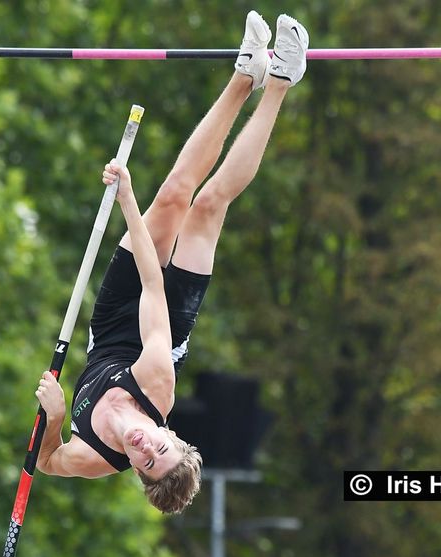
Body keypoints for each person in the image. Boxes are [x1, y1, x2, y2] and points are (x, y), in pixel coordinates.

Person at [35, 11, 309, 514]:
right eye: (160, 448)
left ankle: (250, 75)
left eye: (145, 462)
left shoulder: (95, 457)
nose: (144, 449)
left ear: (137, 472)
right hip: (164, 319)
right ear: (172, 433)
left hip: (113, 325)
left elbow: (48, 462)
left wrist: (53, 419)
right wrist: (128, 201)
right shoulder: (158, 380)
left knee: (175, 198)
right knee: (199, 204)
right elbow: (151, 283)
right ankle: (271, 80)